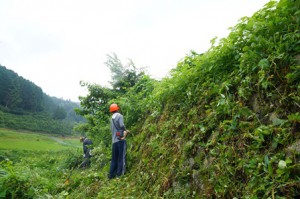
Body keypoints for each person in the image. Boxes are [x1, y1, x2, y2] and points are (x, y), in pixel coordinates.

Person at [109, 103, 129, 179]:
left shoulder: (111, 118)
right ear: (117, 109)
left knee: (114, 158)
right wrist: (125, 130)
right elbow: (121, 125)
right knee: (121, 157)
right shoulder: (119, 116)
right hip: (120, 140)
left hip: (114, 141)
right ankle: (120, 175)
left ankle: (111, 175)